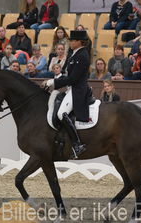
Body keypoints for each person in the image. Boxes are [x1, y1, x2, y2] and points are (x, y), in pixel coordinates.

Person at [42, 30, 92, 159]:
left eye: (72, 40)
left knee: (61, 113)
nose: (70, 42)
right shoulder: (74, 54)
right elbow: (67, 75)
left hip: (78, 90)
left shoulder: (83, 55)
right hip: (71, 88)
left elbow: (73, 79)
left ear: (79, 42)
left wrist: (53, 82)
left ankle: (77, 144)